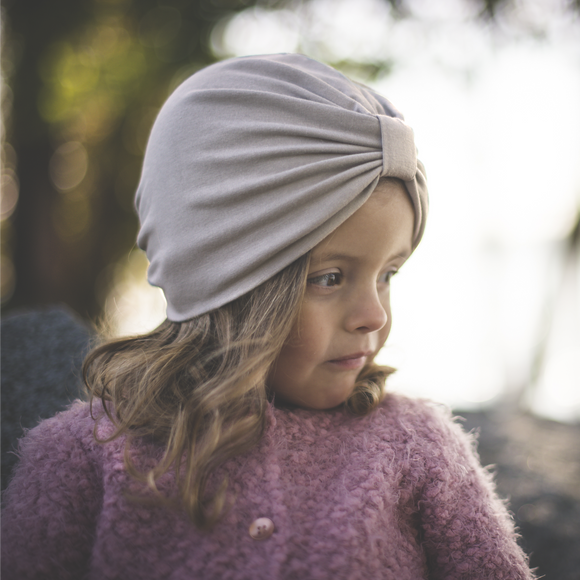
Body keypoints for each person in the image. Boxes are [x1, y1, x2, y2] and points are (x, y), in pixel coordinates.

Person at [0, 54, 535, 579]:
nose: (373, 316)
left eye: (388, 274)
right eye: (329, 278)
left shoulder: (418, 445)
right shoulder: (82, 455)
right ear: (222, 280)